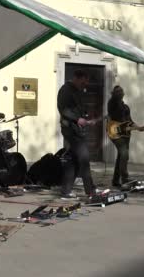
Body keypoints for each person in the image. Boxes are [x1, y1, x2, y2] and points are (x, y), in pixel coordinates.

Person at [57, 69, 98, 200]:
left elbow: (78, 109)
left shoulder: (77, 90)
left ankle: (66, 191)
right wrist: (77, 119)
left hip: (78, 130)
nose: (84, 85)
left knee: (74, 161)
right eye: (83, 82)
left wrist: (87, 116)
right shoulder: (65, 90)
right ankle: (90, 191)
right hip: (71, 131)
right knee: (84, 158)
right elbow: (63, 109)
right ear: (76, 78)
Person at [107, 86, 142, 187]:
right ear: (114, 94)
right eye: (118, 92)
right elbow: (113, 106)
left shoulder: (125, 107)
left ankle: (115, 180)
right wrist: (114, 95)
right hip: (115, 131)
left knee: (121, 156)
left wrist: (138, 127)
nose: (121, 93)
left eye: (121, 91)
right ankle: (125, 178)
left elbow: (129, 121)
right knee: (124, 154)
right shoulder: (112, 103)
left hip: (126, 133)